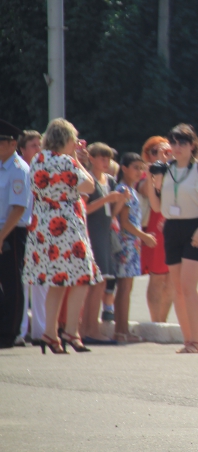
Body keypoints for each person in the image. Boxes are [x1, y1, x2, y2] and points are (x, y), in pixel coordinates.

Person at [22, 118, 100, 354]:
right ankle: (71, 331)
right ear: (65, 139)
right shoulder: (66, 161)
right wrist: (77, 159)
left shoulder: (38, 160)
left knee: (55, 281)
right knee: (81, 278)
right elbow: (90, 186)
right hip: (66, 224)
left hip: (42, 225)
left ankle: (50, 332)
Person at [149, 124, 198, 354]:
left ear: (193, 145)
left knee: (188, 286)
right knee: (177, 288)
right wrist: (155, 177)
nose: (177, 147)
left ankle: (197, 341)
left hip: (197, 226)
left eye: (182, 142)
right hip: (172, 227)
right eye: (173, 143)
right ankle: (188, 340)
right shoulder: (166, 169)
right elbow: (155, 206)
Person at [79, 143, 124, 344]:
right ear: (92, 158)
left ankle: (90, 328)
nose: (106, 162)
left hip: (105, 233)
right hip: (92, 233)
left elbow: (112, 214)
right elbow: (84, 209)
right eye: (102, 158)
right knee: (95, 283)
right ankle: (89, 329)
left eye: (108, 159)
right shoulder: (88, 180)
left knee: (102, 282)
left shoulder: (111, 181)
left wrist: (120, 200)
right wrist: (108, 199)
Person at [114, 153, 157, 343]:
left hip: (132, 244)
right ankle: (121, 331)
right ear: (124, 168)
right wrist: (145, 236)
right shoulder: (124, 189)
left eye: (142, 168)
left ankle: (122, 329)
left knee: (126, 288)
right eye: (136, 167)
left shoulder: (131, 189)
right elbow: (124, 223)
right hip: (126, 243)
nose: (139, 171)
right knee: (124, 288)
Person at [0, 120, 32, 348]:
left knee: (12, 281)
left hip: (11, 231)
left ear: (12, 144)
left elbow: (18, 208)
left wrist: (1, 236)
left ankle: (9, 333)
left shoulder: (18, 169)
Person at [139, 137, 173, 322]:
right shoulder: (146, 172)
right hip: (154, 228)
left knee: (172, 281)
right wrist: (157, 166)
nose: (161, 155)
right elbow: (145, 190)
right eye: (155, 152)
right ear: (148, 155)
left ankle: (163, 321)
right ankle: (155, 322)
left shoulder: (175, 171)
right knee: (157, 277)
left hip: (173, 226)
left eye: (166, 151)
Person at [15, 130, 44, 346]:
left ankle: (41, 331)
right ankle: (21, 328)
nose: (38, 149)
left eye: (40, 145)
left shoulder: (44, 170)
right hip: (23, 229)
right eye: (33, 145)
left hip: (42, 231)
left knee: (42, 283)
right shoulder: (19, 170)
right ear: (22, 149)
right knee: (23, 282)